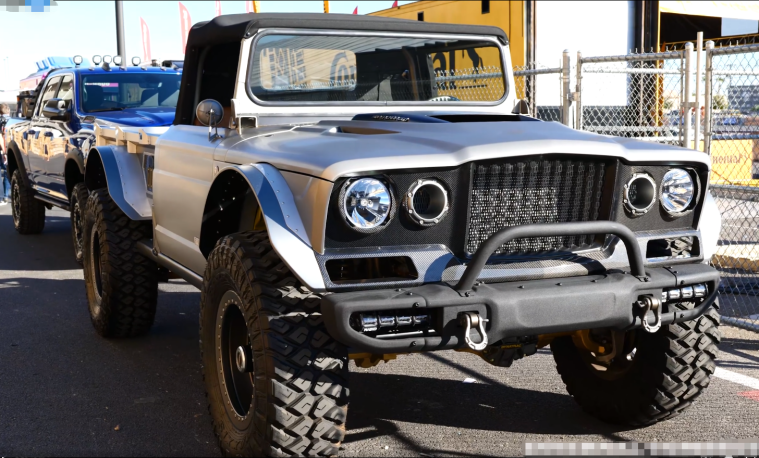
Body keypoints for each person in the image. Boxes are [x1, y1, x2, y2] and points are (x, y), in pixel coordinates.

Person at [0, 103, 10, 205]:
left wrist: (3, 151)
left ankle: (3, 196)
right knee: (7, 173)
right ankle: (6, 196)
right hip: (9, 150)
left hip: (2, 150)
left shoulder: (0, 121)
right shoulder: (11, 121)